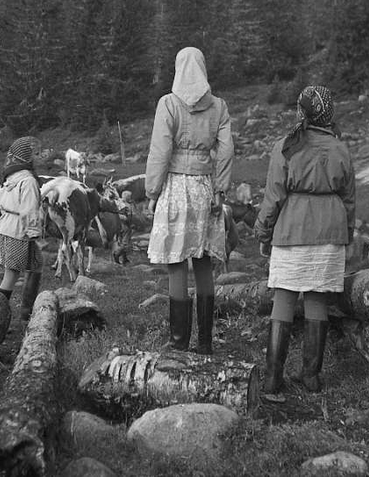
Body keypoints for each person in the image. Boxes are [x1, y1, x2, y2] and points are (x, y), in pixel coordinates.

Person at [254, 85, 356, 401]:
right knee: (316, 299)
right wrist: (348, 235)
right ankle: (311, 377)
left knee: (284, 297)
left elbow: (273, 197)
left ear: (302, 111)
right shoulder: (341, 149)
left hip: (293, 228)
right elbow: (349, 199)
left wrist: (262, 232)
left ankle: (272, 379)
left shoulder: (285, 146)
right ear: (329, 114)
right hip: (330, 230)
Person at [145, 47, 234, 354]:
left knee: (176, 263)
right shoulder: (219, 107)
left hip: (176, 187)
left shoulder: (169, 104)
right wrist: (220, 190)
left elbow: (160, 150)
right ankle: (206, 343)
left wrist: (152, 192)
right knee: (204, 262)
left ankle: (179, 342)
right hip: (206, 187)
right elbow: (226, 151)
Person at [0, 136, 45, 321]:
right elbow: (29, 210)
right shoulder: (28, 180)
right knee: (11, 274)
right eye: (36, 154)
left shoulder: (11, 175)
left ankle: (26, 312)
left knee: (37, 264)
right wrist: (34, 232)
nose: (39, 157)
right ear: (26, 157)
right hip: (18, 230)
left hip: (7, 227)